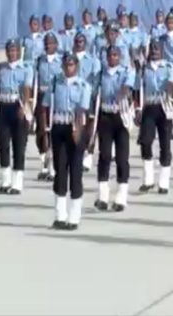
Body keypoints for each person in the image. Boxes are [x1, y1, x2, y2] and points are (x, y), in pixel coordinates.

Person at [41, 53, 91, 230]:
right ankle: (60, 215)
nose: (68, 68)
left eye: (71, 65)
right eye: (66, 65)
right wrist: (46, 130)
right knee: (59, 171)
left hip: (75, 128)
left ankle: (74, 217)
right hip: (59, 127)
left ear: (76, 66)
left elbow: (81, 110)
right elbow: (46, 106)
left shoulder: (84, 85)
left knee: (75, 172)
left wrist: (78, 131)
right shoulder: (55, 83)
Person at [0, 39, 34, 195]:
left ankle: (17, 182)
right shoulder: (1, 68)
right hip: (3, 107)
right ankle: (5, 181)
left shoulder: (26, 68)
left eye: (14, 50)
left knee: (19, 146)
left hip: (17, 106)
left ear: (19, 52)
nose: (11, 53)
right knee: (3, 145)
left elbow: (27, 88)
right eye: (9, 50)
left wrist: (25, 107)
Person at [94, 45, 136, 211]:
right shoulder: (100, 74)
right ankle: (103, 195)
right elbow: (94, 93)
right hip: (105, 116)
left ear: (119, 57)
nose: (112, 58)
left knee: (122, 157)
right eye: (109, 55)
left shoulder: (126, 72)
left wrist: (121, 93)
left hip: (121, 116)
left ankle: (121, 195)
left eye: (115, 55)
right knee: (104, 155)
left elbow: (127, 87)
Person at [136, 40, 173, 193]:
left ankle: (163, 182)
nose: (154, 51)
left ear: (162, 50)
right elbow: (137, 89)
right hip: (149, 106)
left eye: (157, 49)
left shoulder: (168, 67)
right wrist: (137, 109)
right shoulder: (143, 69)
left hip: (164, 107)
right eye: (152, 49)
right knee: (146, 141)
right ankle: (148, 180)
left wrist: (168, 87)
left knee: (165, 144)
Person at [72, 32, 102, 173]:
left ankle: (89, 154)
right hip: (72, 97)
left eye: (82, 41)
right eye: (77, 41)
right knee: (74, 125)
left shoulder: (93, 60)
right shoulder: (69, 58)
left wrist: (94, 96)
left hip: (88, 96)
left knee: (90, 126)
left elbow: (96, 80)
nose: (79, 43)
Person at [34, 33, 62, 180]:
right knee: (41, 131)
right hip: (41, 98)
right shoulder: (39, 61)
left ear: (56, 45)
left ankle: (52, 167)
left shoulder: (62, 61)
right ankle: (43, 163)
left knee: (54, 132)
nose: (48, 45)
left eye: (51, 43)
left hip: (55, 99)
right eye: (46, 43)